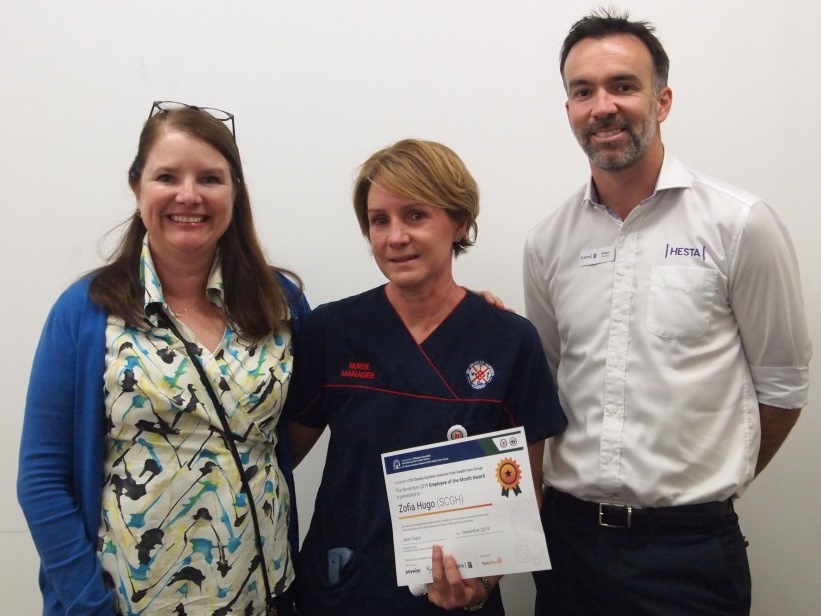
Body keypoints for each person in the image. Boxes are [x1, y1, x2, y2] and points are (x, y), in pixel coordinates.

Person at [523, 9, 812, 616]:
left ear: (663, 100)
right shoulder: (547, 243)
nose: (602, 105)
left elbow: (783, 386)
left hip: (691, 555)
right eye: (583, 91)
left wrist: (707, 482)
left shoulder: (740, 224)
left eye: (623, 86)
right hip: (571, 549)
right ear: (569, 108)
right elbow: (543, 390)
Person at [17, 102, 309, 616]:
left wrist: (467, 312)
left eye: (211, 178)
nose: (189, 195)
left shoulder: (280, 303)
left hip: (263, 594)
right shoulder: (85, 311)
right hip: (122, 602)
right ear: (137, 187)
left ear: (236, 191)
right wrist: (88, 607)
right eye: (167, 176)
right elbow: (41, 479)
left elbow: (323, 398)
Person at [285, 139, 566, 615]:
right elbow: (274, 461)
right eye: (379, 220)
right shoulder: (331, 332)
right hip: (343, 590)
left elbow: (525, 490)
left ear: (458, 222)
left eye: (415, 215)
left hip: (454, 599)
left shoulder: (509, 340)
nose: (395, 237)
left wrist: (481, 584)